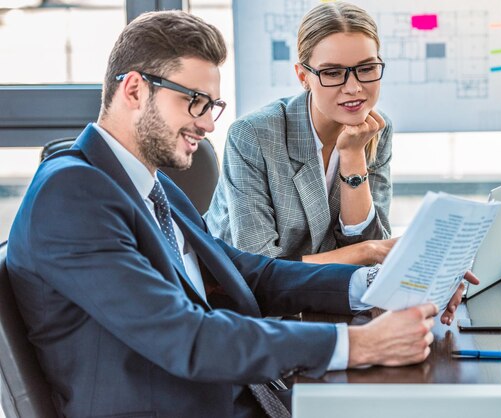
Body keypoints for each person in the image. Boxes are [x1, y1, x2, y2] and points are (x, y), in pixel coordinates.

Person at [6, 10, 475, 418]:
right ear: (133, 89)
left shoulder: (149, 181)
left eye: (212, 105)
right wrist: (362, 344)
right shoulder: (72, 192)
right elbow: (184, 335)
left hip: (229, 395)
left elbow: (248, 273)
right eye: (194, 101)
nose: (208, 123)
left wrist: (374, 285)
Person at [206, 2, 395, 265]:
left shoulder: (376, 130)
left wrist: (353, 155)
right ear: (303, 76)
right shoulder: (253, 135)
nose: (353, 87)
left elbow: (372, 254)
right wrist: (366, 252)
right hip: (243, 299)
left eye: (366, 69)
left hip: (330, 295)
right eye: (332, 73)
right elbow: (259, 268)